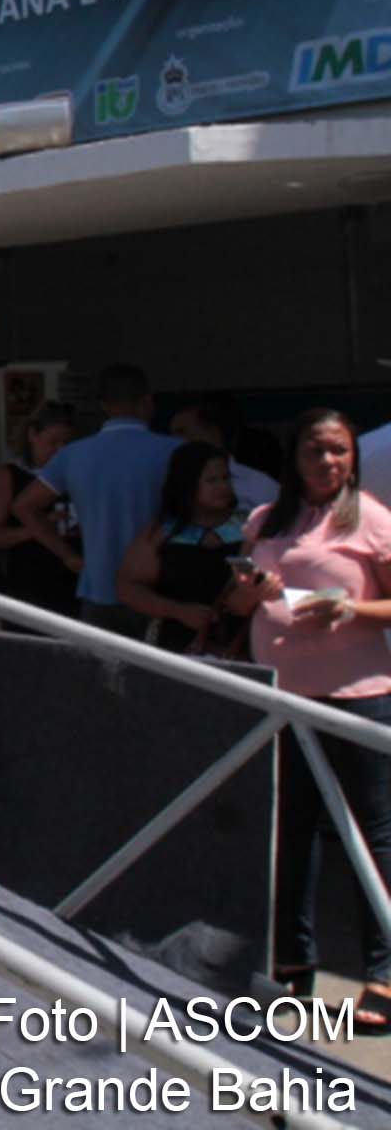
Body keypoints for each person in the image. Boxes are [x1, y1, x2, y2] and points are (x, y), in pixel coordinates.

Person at [220, 410, 391, 1027]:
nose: (329, 463)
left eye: (339, 452)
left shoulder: (373, 519)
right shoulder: (268, 520)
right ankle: (292, 963)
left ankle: (384, 973)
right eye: (317, 452)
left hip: (359, 695)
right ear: (295, 459)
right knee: (290, 833)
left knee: (373, 836)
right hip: (281, 698)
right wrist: (253, 589)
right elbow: (237, 603)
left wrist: (351, 608)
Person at [14, 365, 180, 638]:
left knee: (100, 677)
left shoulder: (73, 455)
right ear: (147, 401)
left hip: (98, 587)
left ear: (103, 405)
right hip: (158, 590)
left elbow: (24, 506)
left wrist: (68, 556)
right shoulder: (174, 452)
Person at [116, 442, 249, 655]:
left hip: (240, 646)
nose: (223, 486)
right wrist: (177, 611)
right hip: (178, 649)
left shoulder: (249, 527)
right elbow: (128, 588)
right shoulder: (162, 533)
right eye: (211, 480)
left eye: (226, 478)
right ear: (187, 485)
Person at [0, 402, 80, 620]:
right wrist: (38, 527)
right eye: (53, 442)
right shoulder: (11, 476)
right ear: (33, 435)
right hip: (30, 585)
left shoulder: (78, 475)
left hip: (73, 584)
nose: (60, 450)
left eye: (67, 444)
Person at [170, 396, 276, 517]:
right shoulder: (170, 483)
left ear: (212, 432)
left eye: (182, 433)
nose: (173, 441)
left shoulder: (260, 485)